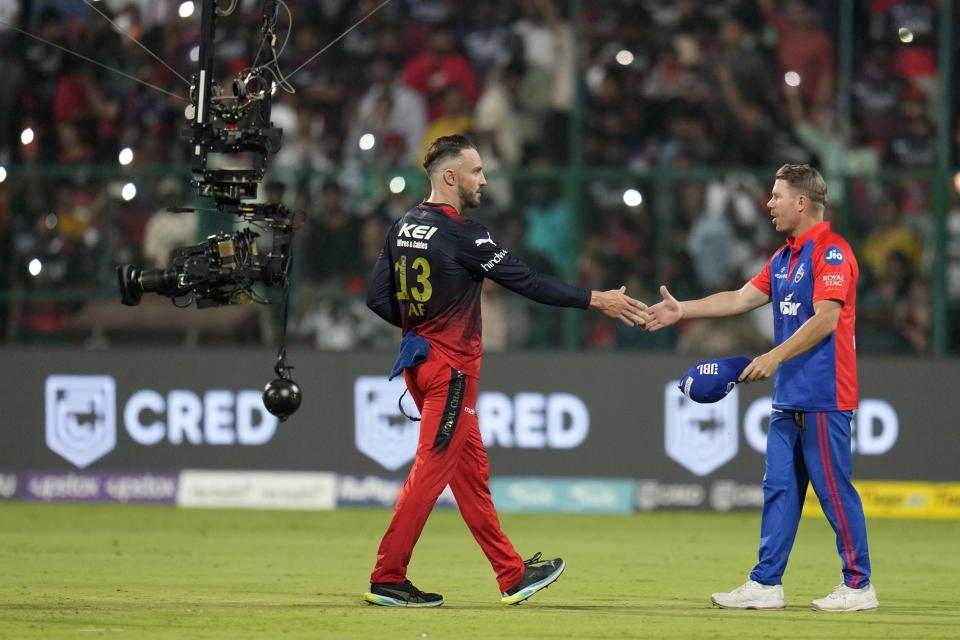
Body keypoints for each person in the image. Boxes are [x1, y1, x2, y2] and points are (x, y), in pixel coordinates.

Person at [364, 135, 648, 607]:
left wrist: (422, 325)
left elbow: (378, 298)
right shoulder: (464, 233)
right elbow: (528, 281)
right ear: (450, 177)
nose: (484, 180)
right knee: (431, 472)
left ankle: (512, 575)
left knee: (470, 474)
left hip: (418, 363)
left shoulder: (402, 225)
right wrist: (597, 299)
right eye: (476, 171)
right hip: (452, 372)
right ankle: (387, 577)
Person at [646, 164, 878, 612]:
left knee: (834, 492)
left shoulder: (830, 252)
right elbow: (738, 299)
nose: (768, 204)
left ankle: (858, 585)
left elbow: (827, 318)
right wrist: (682, 310)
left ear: (801, 202)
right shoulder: (784, 257)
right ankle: (766, 583)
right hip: (789, 395)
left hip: (824, 396)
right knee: (779, 489)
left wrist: (773, 357)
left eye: (776, 196)